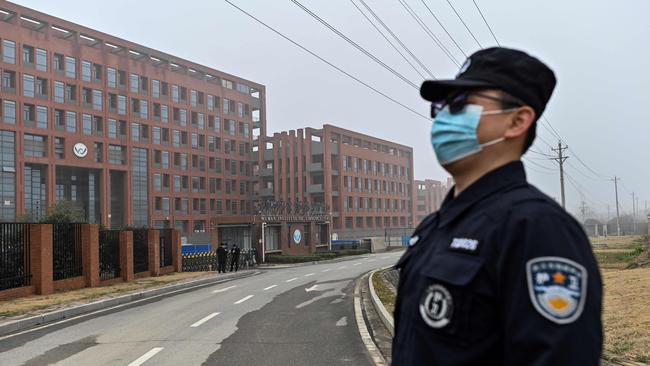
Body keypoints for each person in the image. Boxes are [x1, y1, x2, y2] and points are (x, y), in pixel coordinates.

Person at [392, 47, 602, 365]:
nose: (445, 116)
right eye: (442, 106)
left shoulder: (538, 230)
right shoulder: (433, 227)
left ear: (517, 121)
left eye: (461, 104)